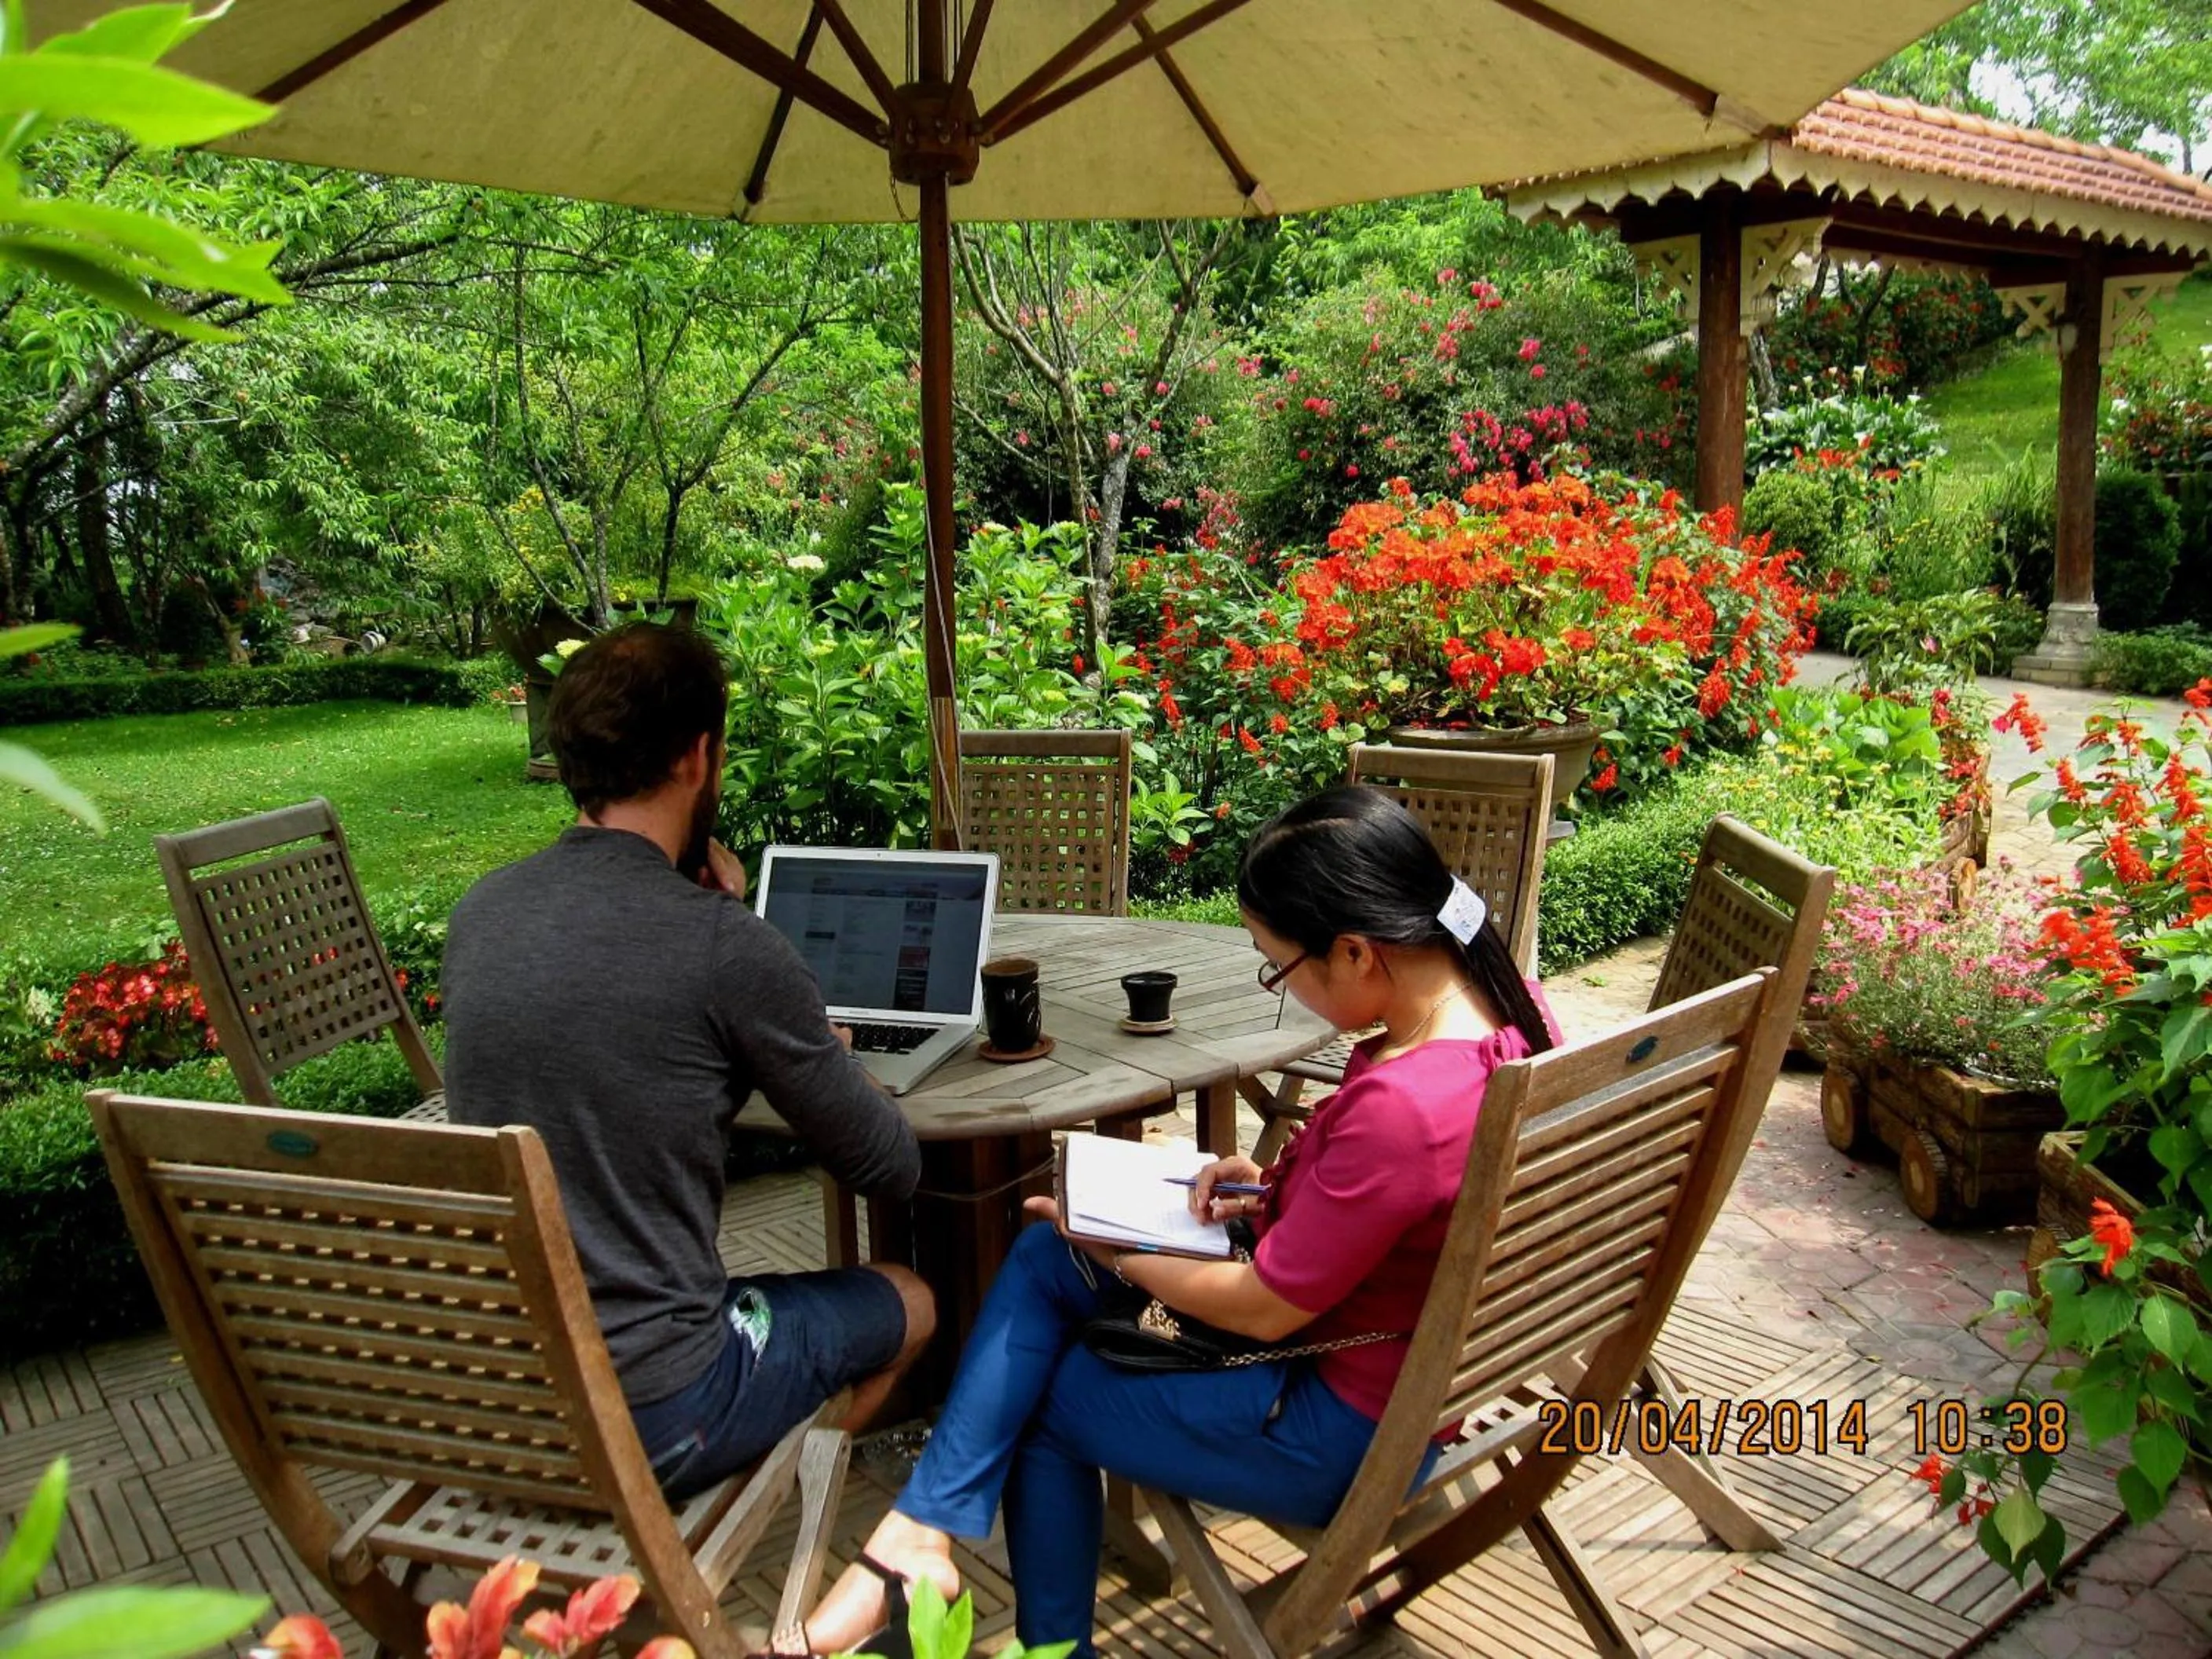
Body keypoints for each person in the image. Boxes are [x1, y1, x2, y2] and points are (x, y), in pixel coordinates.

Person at [795, 785, 1560, 1658]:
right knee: (1048, 1250)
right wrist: (1271, 1189)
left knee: (1043, 1393)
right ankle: (920, 1532)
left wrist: (1119, 1252)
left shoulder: (1406, 1104)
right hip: (1389, 1370)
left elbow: (1263, 1309)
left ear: (1354, 951)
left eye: (1280, 968)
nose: (1284, 989)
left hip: (1332, 1428)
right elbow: (1398, 1206)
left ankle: (1031, 1634)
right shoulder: (1511, 1012)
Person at [441, 621, 932, 1500]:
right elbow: (887, 1166)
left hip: (501, 1395)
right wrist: (809, 1038)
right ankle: (715, 1520)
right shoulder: (724, 949)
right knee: (910, 1299)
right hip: (654, 1405)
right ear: (698, 757)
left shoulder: (482, 913)